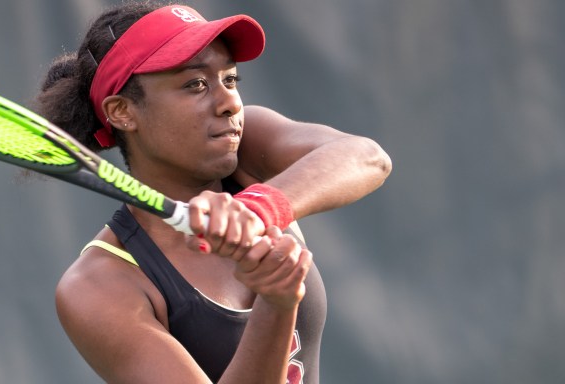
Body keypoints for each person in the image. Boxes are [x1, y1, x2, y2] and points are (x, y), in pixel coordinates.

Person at [35, 2, 391, 383]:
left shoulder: (245, 146)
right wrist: (274, 304)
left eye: (230, 79)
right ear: (122, 111)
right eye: (196, 84)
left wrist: (259, 209)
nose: (229, 103)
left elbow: (369, 158)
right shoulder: (98, 286)